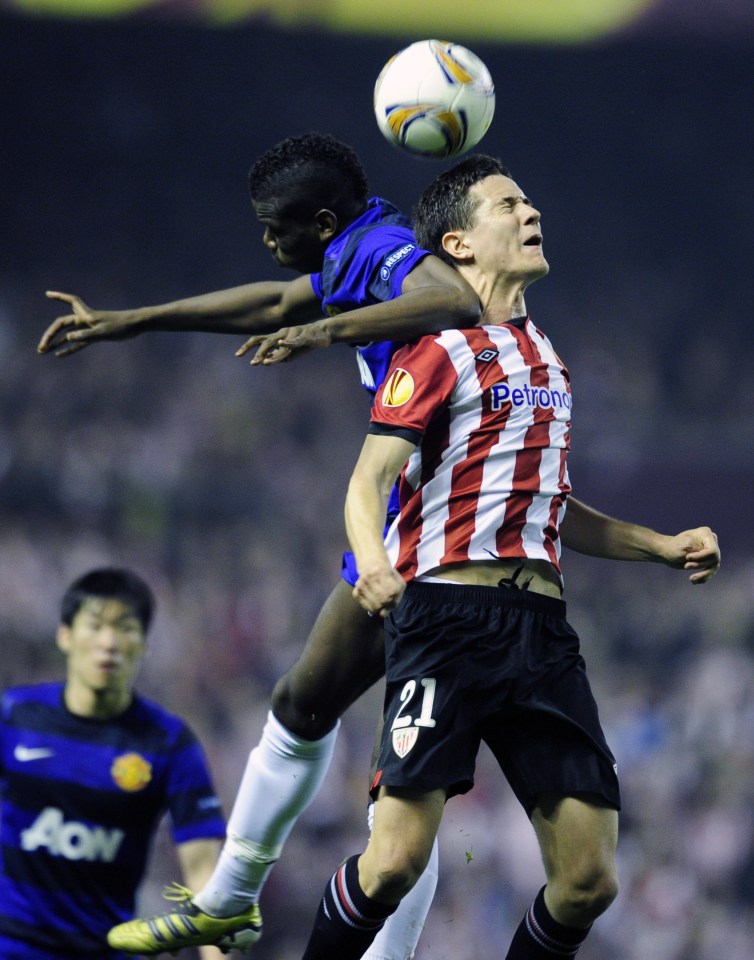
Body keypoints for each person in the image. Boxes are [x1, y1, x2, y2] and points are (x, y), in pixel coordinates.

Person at [38, 133, 483, 960]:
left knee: (394, 782)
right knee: (305, 708)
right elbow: (278, 305)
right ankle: (230, 898)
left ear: (320, 220)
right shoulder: (357, 245)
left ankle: (256, 906)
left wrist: (327, 333)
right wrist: (132, 322)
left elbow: (452, 299)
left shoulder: (382, 252)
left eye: (277, 229)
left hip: (450, 527)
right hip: (411, 517)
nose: (269, 244)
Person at [283, 155, 721, 960]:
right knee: (394, 863)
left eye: (529, 198)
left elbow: (549, 506)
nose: (530, 212)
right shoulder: (434, 348)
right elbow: (367, 479)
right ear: (458, 243)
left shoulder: (546, 355)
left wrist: (658, 546)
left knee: (590, 881)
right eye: (507, 204)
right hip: (446, 619)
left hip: (541, 630)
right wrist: (369, 558)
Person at [0, 566, 233, 960]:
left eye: (125, 628)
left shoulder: (168, 743)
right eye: (94, 625)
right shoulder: (14, 717)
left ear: (144, 643)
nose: (109, 643)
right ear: (65, 635)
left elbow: (204, 877)